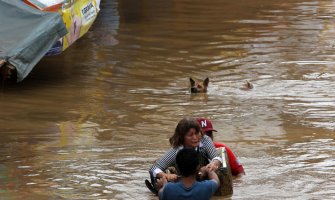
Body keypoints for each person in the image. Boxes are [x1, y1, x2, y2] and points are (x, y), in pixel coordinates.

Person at [147, 117, 222, 193]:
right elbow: (154, 168)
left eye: (197, 133)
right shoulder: (176, 151)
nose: (195, 138)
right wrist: (166, 176)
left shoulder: (205, 140)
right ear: (182, 137)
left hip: (203, 175)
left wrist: (212, 164)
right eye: (190, 135)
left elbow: (216, 157)